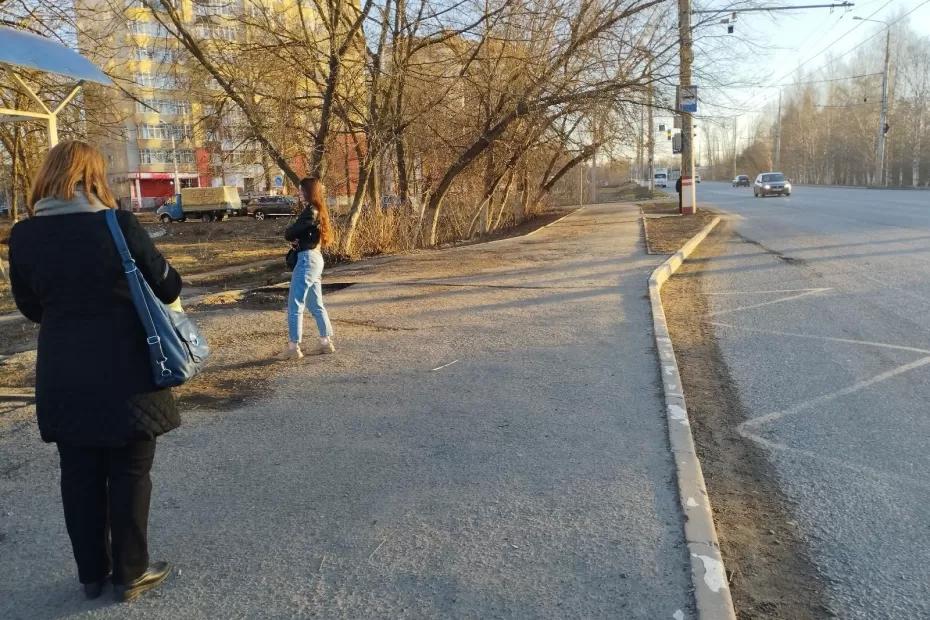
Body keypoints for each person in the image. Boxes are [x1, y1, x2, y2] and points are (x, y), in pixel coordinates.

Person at [8, 141, 180, 602]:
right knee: (130, 473)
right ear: (93, 177)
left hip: (64, 373)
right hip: (129, 374)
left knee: (78, 475)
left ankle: (91, 575)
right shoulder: (117, 225)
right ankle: (129, 573)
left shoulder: (23, 237)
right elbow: (168, 288)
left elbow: (31, 308)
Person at [278, 176, 335, 359]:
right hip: (315, 259)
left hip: (306, 260)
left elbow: (291, 232)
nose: (299, 193)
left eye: (302, 190)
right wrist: (299, 239)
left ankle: (293, 347)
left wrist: (293, 235)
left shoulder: (311, 210)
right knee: (316, 304)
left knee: (295, 304)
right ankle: (325, 343)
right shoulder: (320, 210)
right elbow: (305, 234)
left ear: (310, 192)